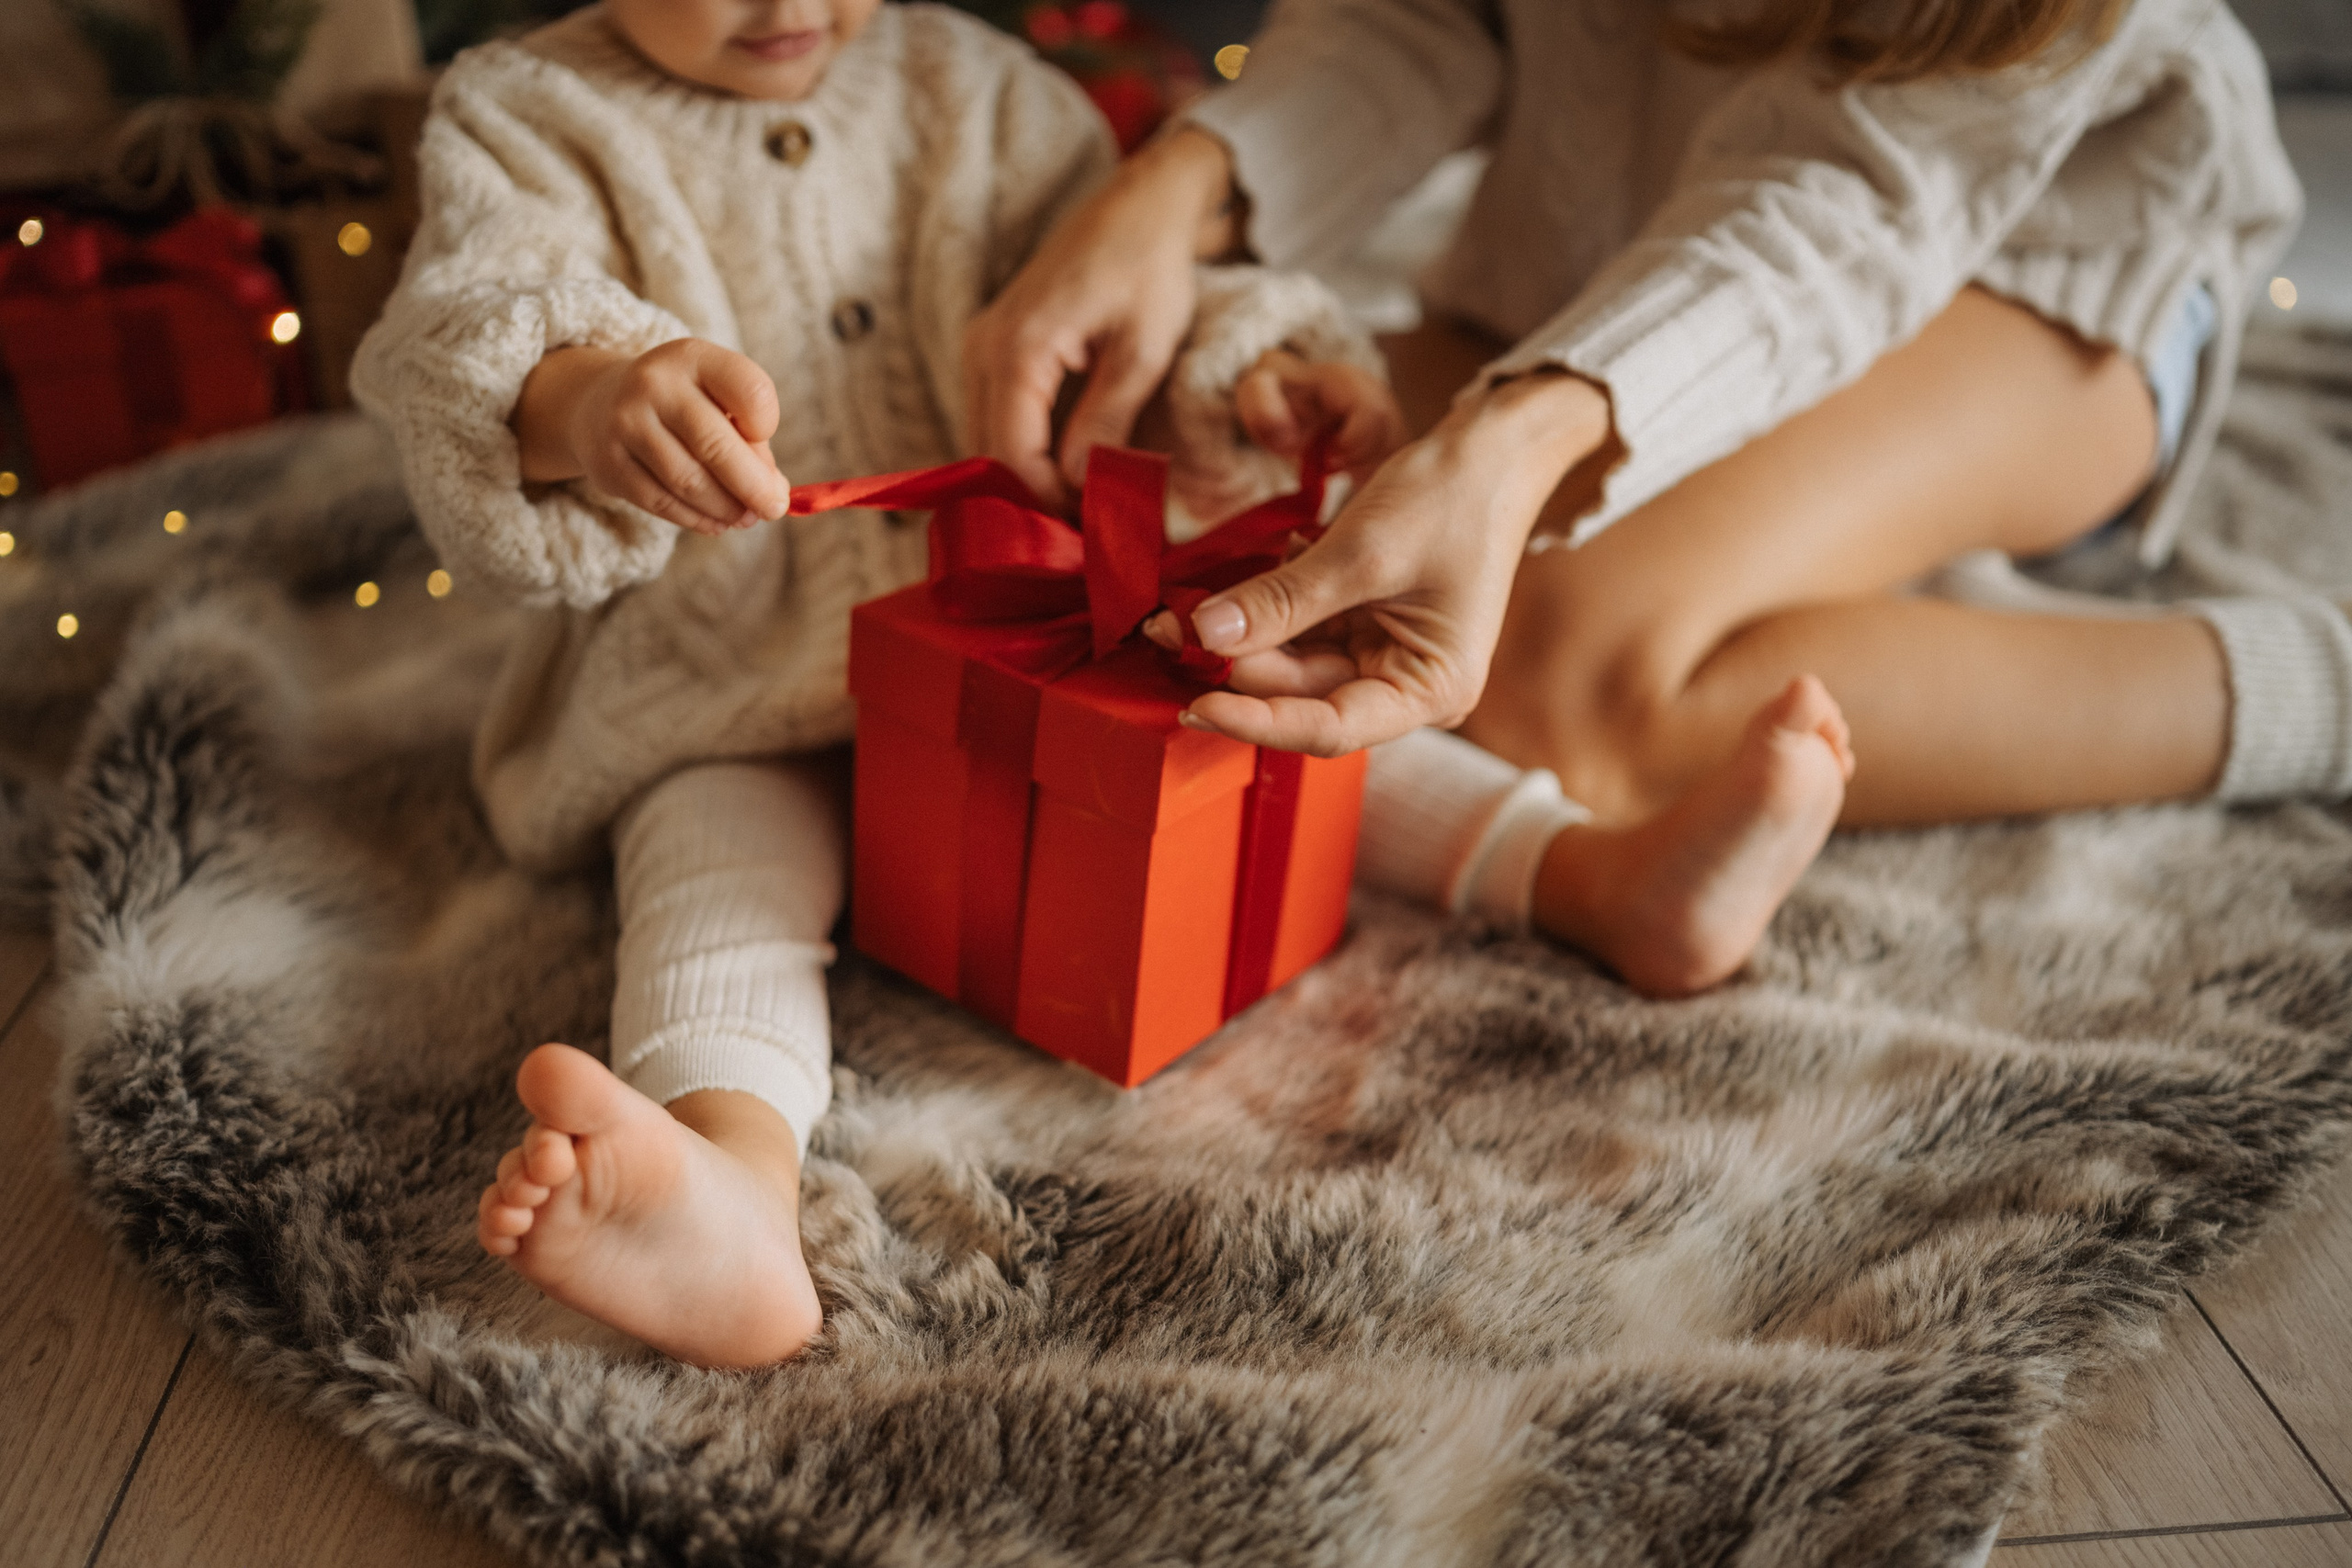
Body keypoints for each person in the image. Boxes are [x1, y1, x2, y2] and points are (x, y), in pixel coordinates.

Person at [352, 0, 1385, 1367]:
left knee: (1285, 706)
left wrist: (1246, 374)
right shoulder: (528, 113)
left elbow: (1131, 294)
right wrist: (591, 403)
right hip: (727, 666)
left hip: (1011, 618)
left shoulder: (982, 91)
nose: (791, 7)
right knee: (719, 872)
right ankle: (729, 1186)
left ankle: (1577, 862)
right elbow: (463, 333)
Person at [966, 0, 2309, 997]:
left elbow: (1833, 215)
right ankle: (1819, 571)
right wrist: (1179, 187)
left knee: (1552, 675)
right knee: (1222, 471)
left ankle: (2314, 682)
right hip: (1615, 236)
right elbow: (1437, 15)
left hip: (2033, 264)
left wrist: (1509, 445)